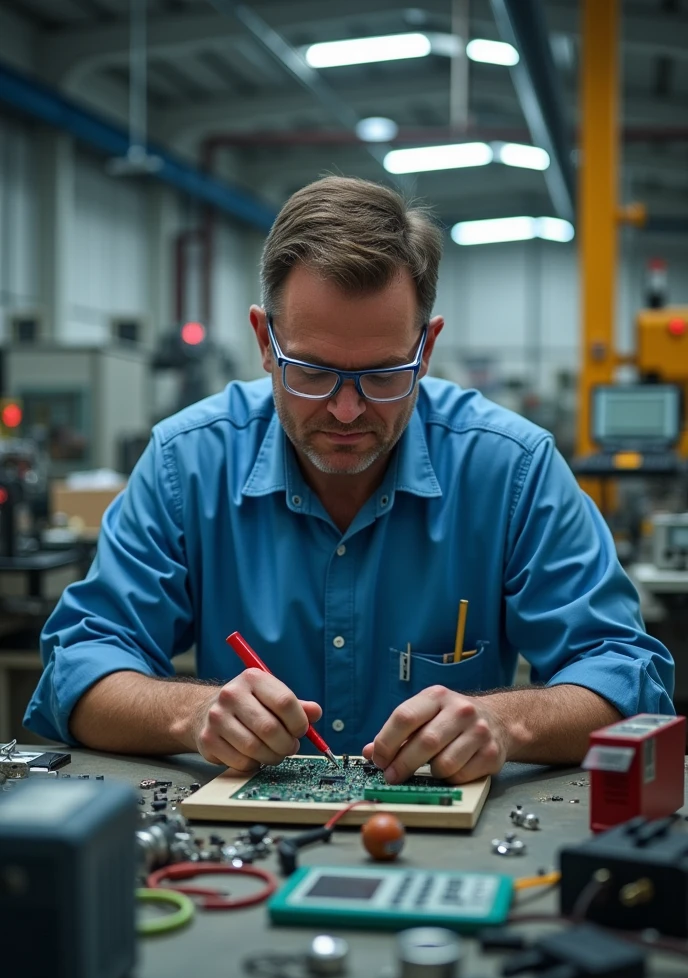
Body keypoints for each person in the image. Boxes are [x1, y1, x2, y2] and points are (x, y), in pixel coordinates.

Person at [24, 176, 674, 786]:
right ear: (263, 337)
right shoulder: (186, 463)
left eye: (385, 375)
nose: (345, 410)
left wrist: (507, 722)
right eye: (310, 370)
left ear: (427, 346)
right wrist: (191, 715)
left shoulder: (512, 470)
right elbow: (78, 674)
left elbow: (628, 680)